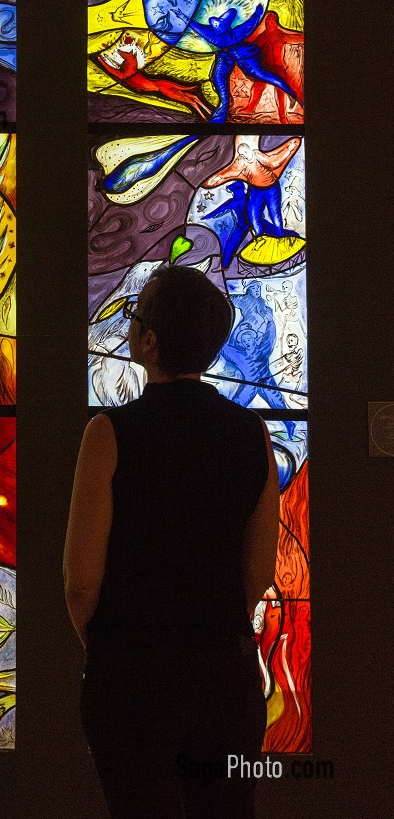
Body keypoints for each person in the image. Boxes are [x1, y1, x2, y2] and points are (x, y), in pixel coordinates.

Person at [64, 265, 279, 818]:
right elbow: (257, 573)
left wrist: (112, 654)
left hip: (132, 680)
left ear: (149, 341)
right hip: (226, 680)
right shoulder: (252, 434)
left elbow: (81, 583)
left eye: (135, 317)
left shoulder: (108, 435)